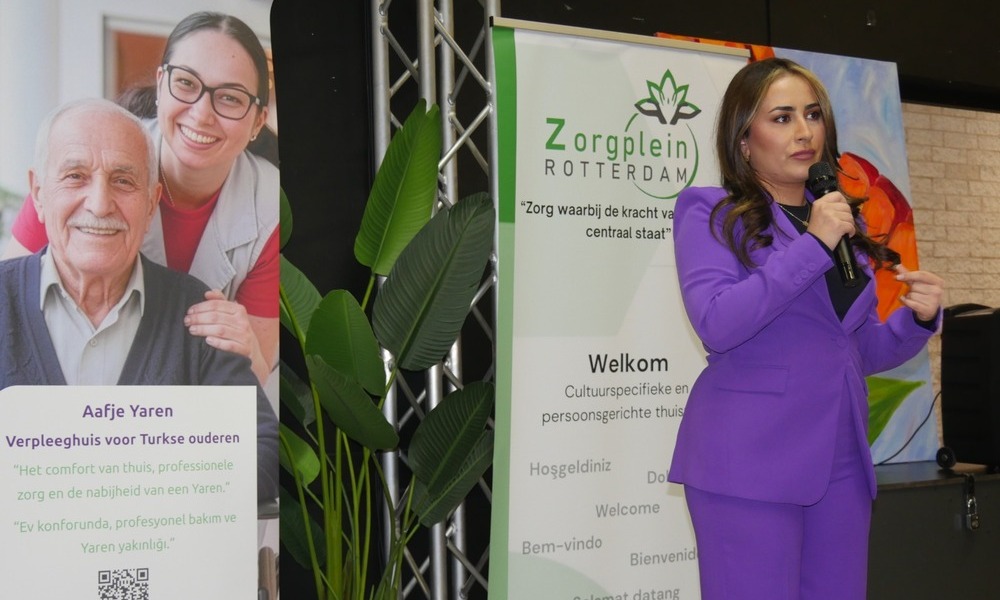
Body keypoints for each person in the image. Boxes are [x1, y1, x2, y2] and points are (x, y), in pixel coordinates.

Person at [667, 58, 944, 600]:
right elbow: (717, 322)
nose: (804, 131)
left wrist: (916, 319)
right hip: (749, 461)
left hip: (840, 462)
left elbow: (851, 348)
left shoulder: (842, 222)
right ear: (743, 140)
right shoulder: (712, 212)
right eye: (782, 117)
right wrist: (813, 245)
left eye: (813, 115)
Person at [0, 98, 278, 503]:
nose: (99, 204)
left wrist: (140, 487)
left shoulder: (197, 311)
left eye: (123, 181)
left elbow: (264, 451)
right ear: (39, 194)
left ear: (150, 204)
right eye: (76, 176)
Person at [3, 11, 279, 389]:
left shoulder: (271, 209)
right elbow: (10, 313)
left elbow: (252, 375)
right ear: (161, 83)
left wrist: (246, 350)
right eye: (186, 83)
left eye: (230, 98)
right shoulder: (83, 165)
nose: (202, 114)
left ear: (258, 120)